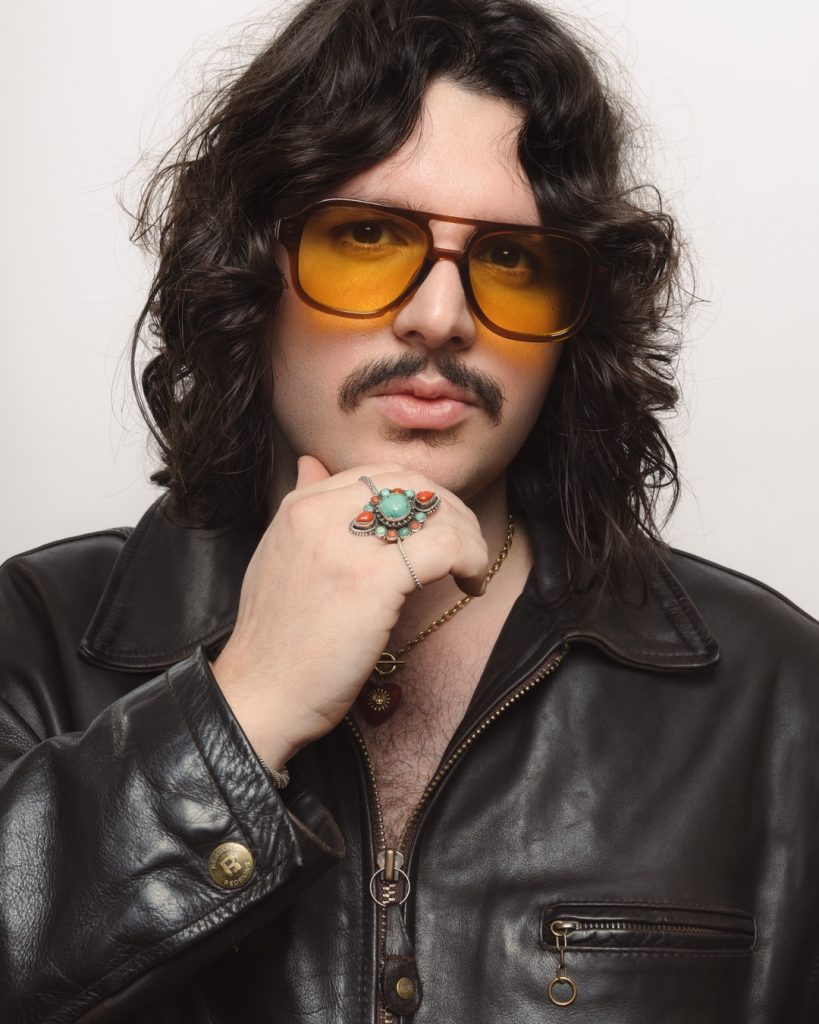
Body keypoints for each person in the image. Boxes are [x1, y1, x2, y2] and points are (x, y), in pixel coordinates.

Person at [1, 0, 817, 1021]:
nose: (440, 317)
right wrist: (245, 703)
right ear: (251, 271)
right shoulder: (35, 641)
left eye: (511, 259)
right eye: (366, 236)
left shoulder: (771, 694)